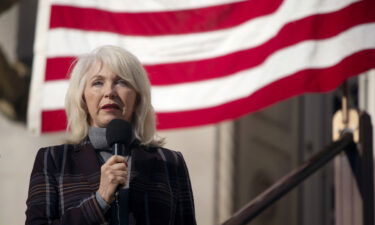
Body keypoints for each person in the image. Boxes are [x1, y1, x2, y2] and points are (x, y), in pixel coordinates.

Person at [25, 45, 197, 225]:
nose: (109, 92)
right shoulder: (53, 160)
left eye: (121, 82)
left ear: (137, 98)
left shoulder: (170, 163)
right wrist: (100, 200)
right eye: (98, 82)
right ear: (82, 98)